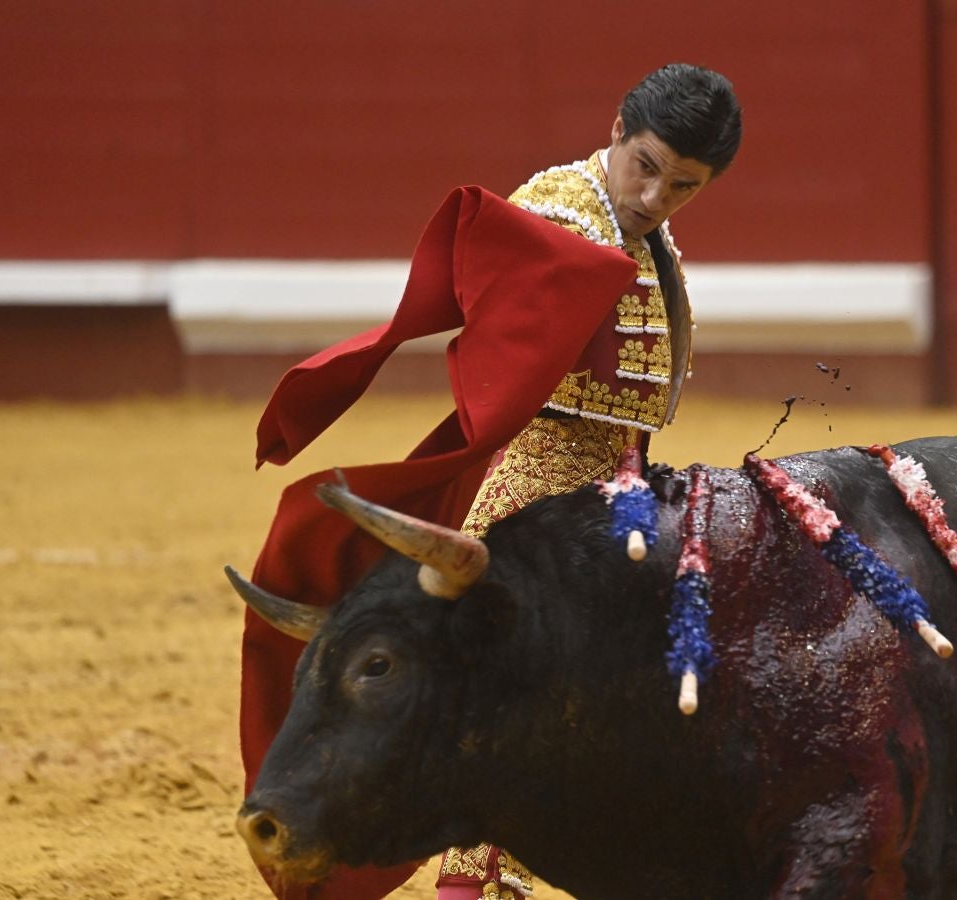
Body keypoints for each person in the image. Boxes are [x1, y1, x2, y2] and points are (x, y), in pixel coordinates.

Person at [238, 63, 742, 900]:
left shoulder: (642, 230)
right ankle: (469, 888)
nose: (654, 195)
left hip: (615, 492)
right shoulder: (561, 207)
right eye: (645, 166)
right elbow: (527, 290)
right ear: (617, 131)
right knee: (504, 698)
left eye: (683, 184)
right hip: (536, 495)